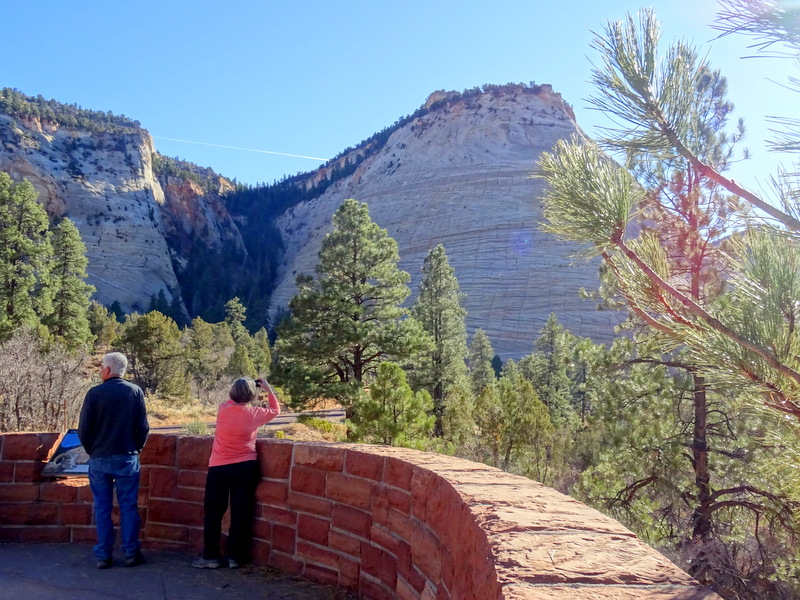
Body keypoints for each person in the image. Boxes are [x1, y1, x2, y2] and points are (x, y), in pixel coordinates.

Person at [193, 376, 280, 569]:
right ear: (252, 395)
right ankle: (234, 557)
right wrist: (266, 387)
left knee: (214, 513)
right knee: (241, 513)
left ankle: (210, 557)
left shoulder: (223, 409)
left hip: (219, 467)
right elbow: (276, 410)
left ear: (232, 392)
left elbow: (233, 399)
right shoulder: (254, 413)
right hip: (245, 466)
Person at [78, 352, 149, 569]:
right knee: (128, 506)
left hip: (100, 458)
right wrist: (135, 448)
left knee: (102, 507)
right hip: (127, 456)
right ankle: (130, 553)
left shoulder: (94, 393)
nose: (100, 370)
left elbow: (84, 430)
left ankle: (104, 555)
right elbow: (143, 427)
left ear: (108, 370)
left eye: (101, 367)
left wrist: (93, 451)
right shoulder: (134, 391)